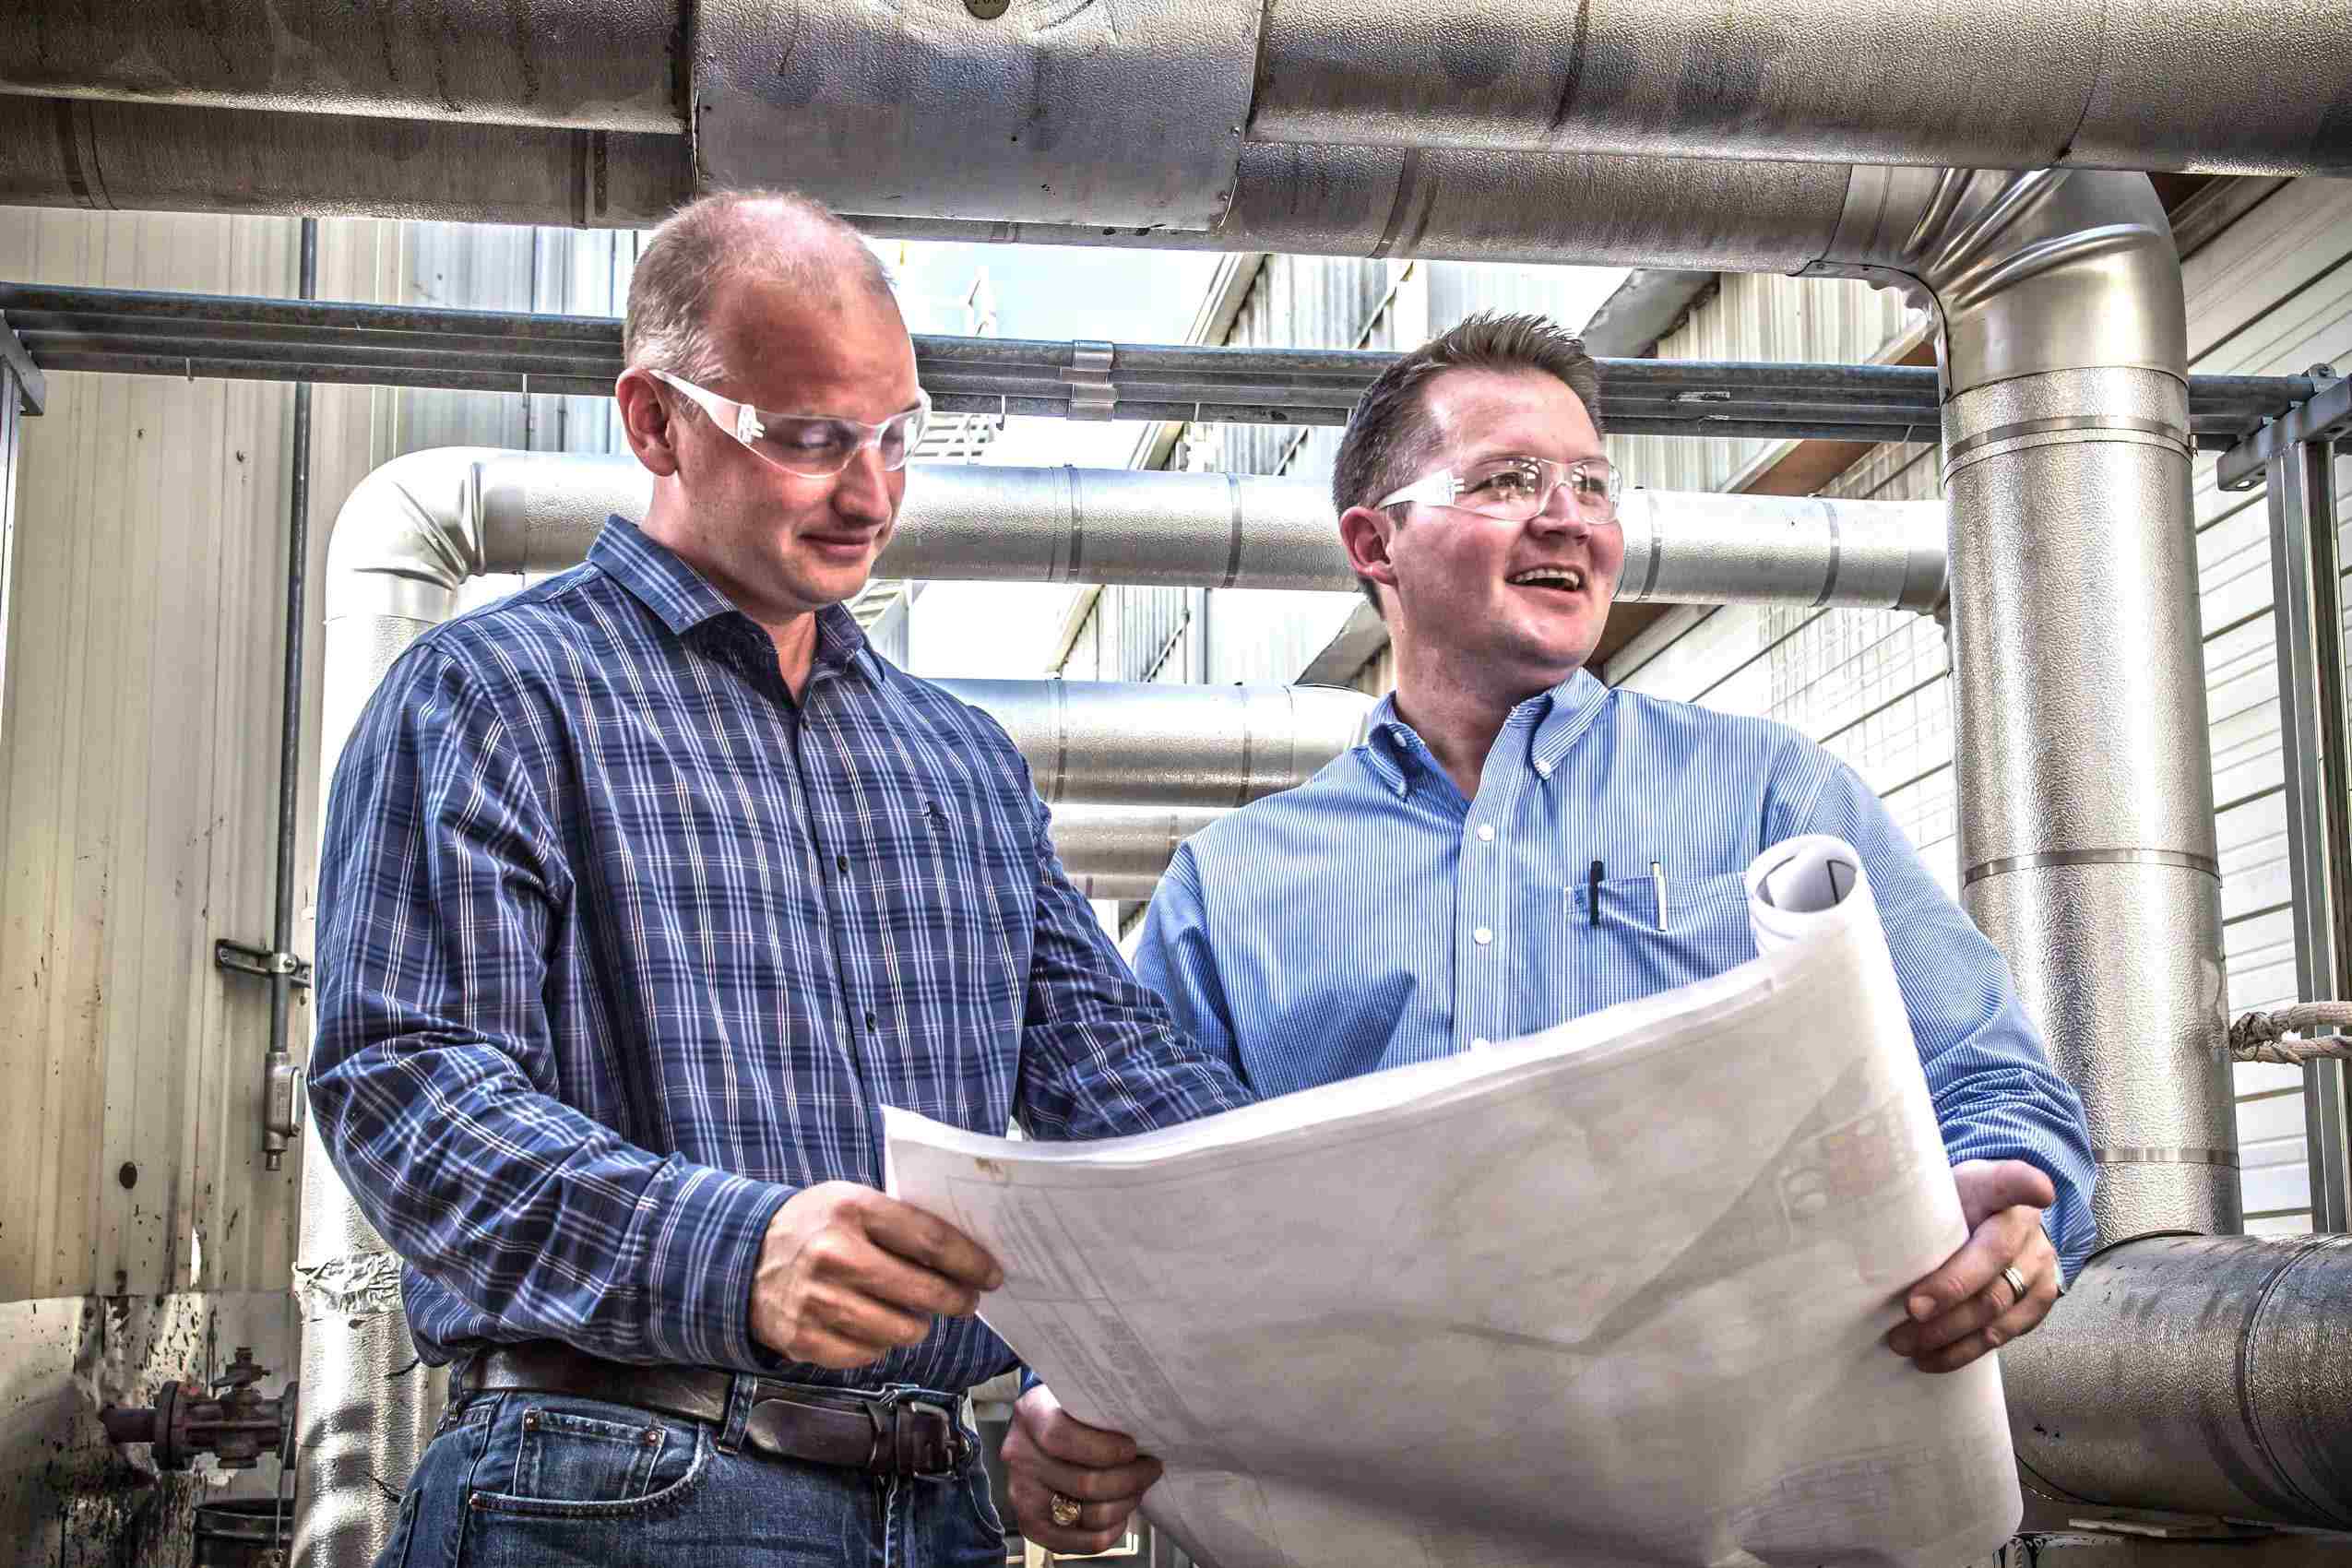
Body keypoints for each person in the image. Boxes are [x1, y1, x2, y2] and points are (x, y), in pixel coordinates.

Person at [1003, 312, 2099, 1542]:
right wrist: (1071, 1402)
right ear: (1377, 542)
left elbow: (1993, 1085)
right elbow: (1149, 1237)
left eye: (1590, 484)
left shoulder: (1768, 796)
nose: (1568, 515)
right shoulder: (1234, 887)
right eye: (1508, 480)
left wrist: (2012, 1214)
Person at [305, 190, 1252, 1568]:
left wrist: (1247, 1274)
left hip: (937, 1500)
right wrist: (729, 1253)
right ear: (655, 422)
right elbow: (403, 1088)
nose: (869, 494)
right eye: (808, 439)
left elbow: (1124, 1098)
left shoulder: (961, 761)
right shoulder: (495, 696)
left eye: (893, 436)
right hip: (612, 1490)